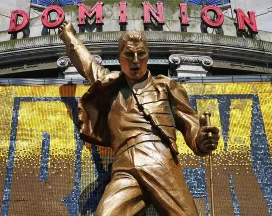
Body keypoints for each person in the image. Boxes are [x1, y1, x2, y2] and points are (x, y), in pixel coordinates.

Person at [59, 21, 219, 216]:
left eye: (141, 54)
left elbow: (190, 123)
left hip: (159, 160)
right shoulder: (110, 86)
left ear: (147, 56)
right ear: (120, 58)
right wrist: (69, 36)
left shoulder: (165, 86)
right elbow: (86, 63)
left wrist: (202, 139)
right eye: (129, 54)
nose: (136, 60)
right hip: (124, 166)